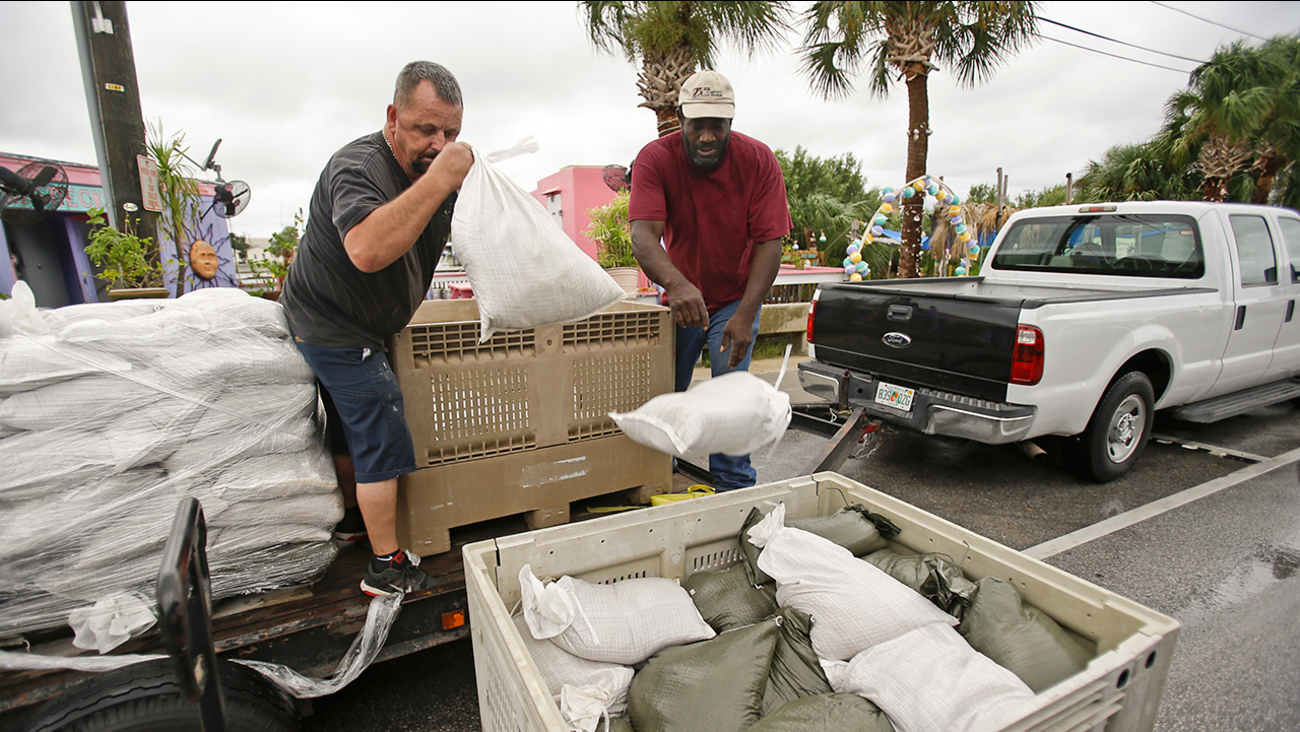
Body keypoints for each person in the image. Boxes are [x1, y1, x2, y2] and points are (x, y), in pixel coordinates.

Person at [279, 61, 473, 597]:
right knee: (381, 428)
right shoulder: (359, 166)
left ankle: (350, 522)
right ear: (393, 118)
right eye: (425, 129)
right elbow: (366, 249)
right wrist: (440, 178)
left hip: (362, 322)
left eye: (450, 133)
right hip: (332, 322)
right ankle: (385, 566)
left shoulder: (433, 173)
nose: (438, 143)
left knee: (347, 426)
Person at [627, 69, 791, 491]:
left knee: (730, 395)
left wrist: (747, 314)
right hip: (682, 298)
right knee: (668, 391)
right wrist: (677, 286)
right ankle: (652, 479)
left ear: (730, 124)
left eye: (716, 126)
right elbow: (643, 235)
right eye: (696, 125)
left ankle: (734, 488)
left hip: (736, 297)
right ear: (680, 120)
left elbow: (769, 243)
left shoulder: (758, 160)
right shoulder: (655, 158)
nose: (705, 136)